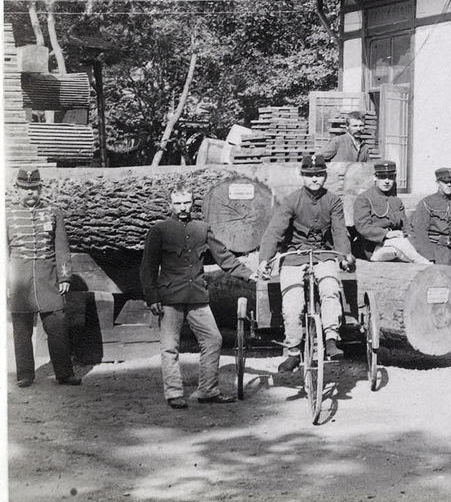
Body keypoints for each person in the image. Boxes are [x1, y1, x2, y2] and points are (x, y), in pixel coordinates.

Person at [141, 189, 251, 408]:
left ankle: (208, 390)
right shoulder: (159, 230)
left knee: (213, 339)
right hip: (170, 297)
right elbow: (148, 267)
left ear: (193, 203)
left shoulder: (202, 228)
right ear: (169, 204)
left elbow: (223, 256)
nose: (183, 207)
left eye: (187, 202)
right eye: (177, 203)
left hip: (197, 296)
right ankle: (174, 394)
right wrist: (152, 297)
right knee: (170, 345)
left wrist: (249, 274)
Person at [258, 155, 355, 373]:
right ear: (302, 176)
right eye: (309, 175)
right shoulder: (291, 201)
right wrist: (265, 259)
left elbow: (340, 232)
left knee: (330, 288)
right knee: (292, 302)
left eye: (319, 174)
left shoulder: (333, 201)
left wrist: (344, 256)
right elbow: (275, 232)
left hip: (323, 254)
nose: (314, 179)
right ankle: (293, 350)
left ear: (325, 176)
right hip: (294, 256)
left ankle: (331, 338)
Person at [6, 168, 79, 388]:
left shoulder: (53, 212)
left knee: (56, 326)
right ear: (18, 190)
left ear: (40, 188)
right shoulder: (7, 215)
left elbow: (61, 247)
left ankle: (64, 373)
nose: (30, 193)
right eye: (25, 189)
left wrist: (64, 276)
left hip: (48, 278)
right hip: (19, 279)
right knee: (21, 330)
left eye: (34, 188)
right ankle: (25, 374)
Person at [352, 160, 430, 263]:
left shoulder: (396, 201)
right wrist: (387, 234)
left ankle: (424, 262)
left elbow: (406, 227)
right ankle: (427, 265)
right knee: (399, 244)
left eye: (391, 177)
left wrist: (414, 244)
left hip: (397, 243)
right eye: (382, 177)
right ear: (375, 177)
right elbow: (363, 226)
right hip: (374, 247)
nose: (387, 181)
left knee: (404, 244)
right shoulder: (365, 198)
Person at [409, 167, 451, 270]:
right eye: (445, 182)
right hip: (436, 253)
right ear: (437, 183)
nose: (449, 185)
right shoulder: (427, 203)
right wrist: (429, 257)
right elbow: (420, 232)